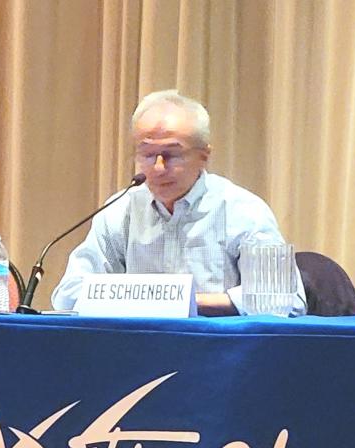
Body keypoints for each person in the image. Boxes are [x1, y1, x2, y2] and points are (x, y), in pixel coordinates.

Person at [52, 90, 306, 316]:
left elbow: (284, 299)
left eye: (171, 155)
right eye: (148, 155)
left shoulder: (244, 210)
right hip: (136, 351)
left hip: (219, 351)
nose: (159, 168)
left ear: (203, 156)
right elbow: (68, 295)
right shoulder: (120, 210)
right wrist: (151, 301)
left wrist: (187, 302)